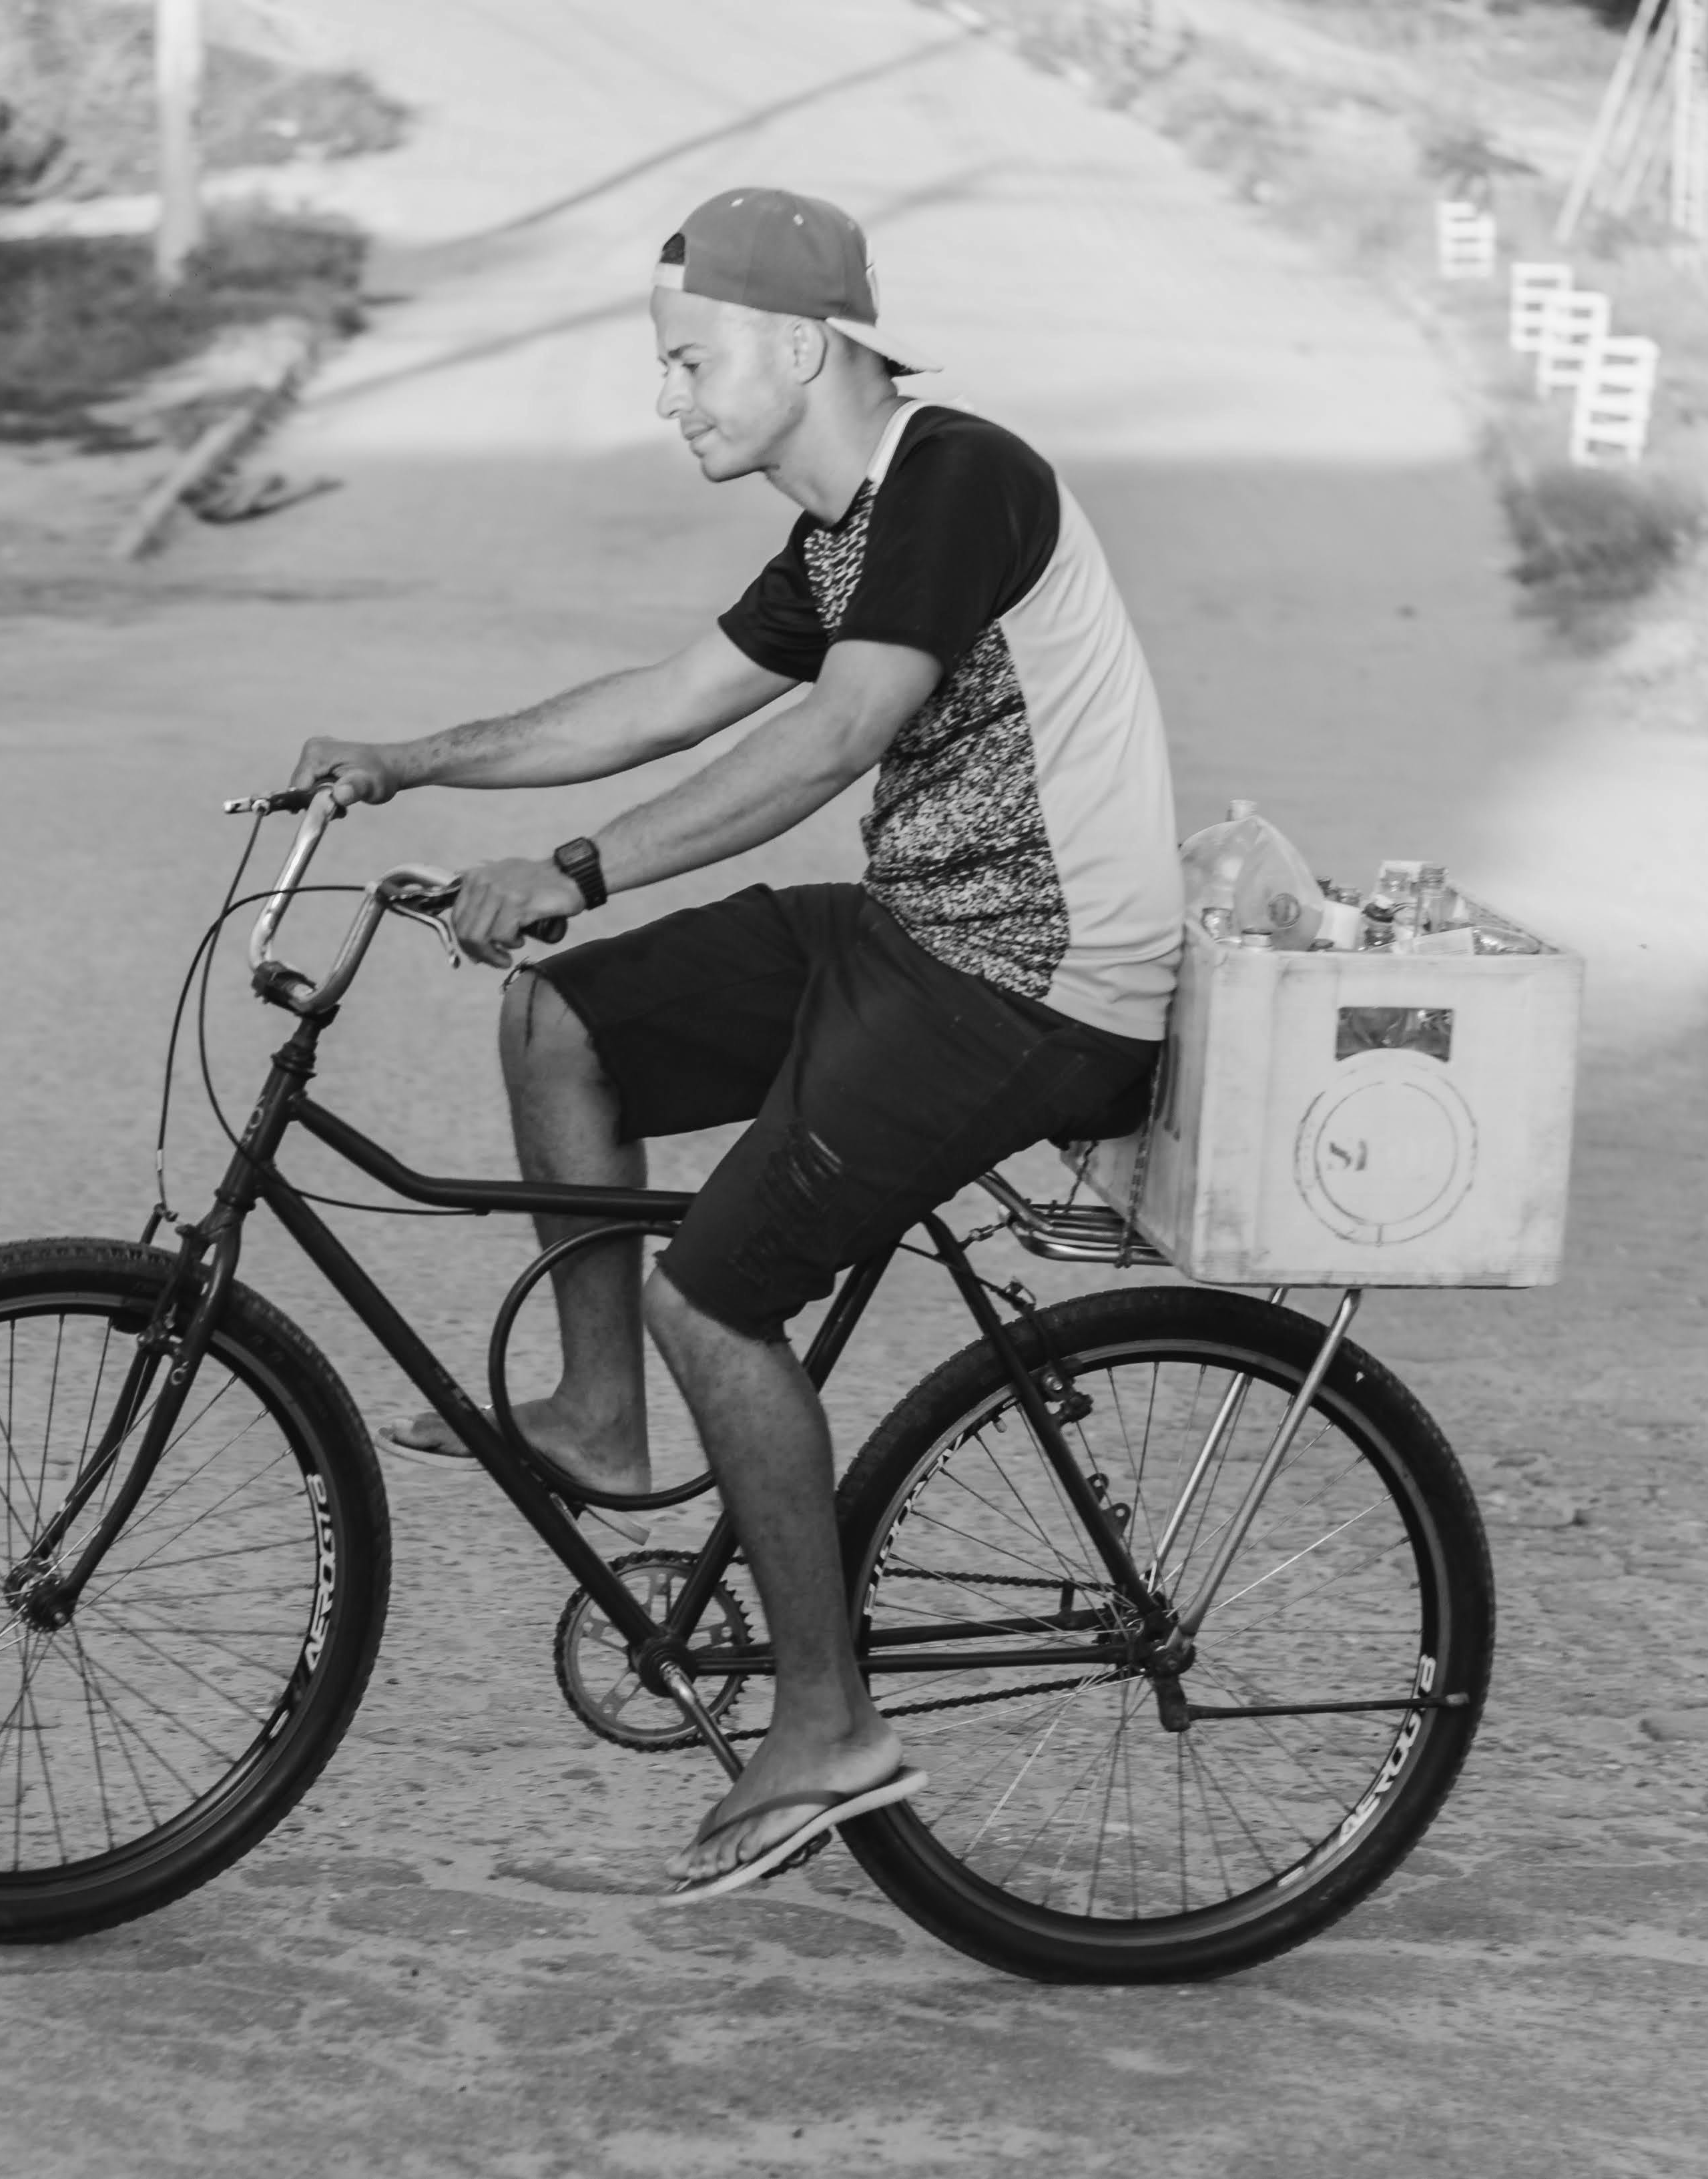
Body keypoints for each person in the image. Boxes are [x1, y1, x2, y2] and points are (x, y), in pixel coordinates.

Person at [286, 187, 1183, 1900]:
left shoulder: (955, 475)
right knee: (561, 1016)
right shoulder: (839, 529)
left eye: (690, 360)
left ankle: (828, 1723)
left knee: (720, 1287)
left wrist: (575, 865)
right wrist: (409, 759)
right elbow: (665, 699)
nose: (671, 396)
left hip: (1037, 982)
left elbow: (842, 731)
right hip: (919, 935)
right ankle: (601, 1417)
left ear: (799, 346)